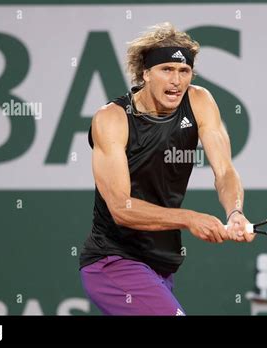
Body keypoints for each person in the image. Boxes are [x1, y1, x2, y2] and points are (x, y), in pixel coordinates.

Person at [79, 22, 255, 316]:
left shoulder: (199, 101)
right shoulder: (112, 119)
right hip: (113, 261)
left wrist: (234, 211)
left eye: (183, 71)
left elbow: (224, 171)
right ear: (145, 73)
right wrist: (188, 218)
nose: (176, 81)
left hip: (160, 265)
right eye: (166, 70)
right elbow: (121, 208)